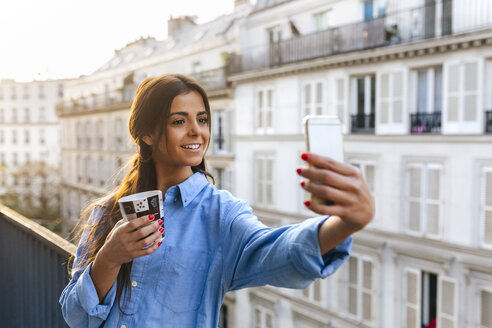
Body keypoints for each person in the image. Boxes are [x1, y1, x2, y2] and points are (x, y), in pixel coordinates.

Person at [59, 74, 374, 327]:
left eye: (203, 119)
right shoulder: (108, 211)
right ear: (147, 134)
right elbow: (74, 316)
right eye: (179, 121)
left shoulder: (222, 214)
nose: (197, 131)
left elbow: (278, 251)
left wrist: (345, 223)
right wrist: (110, 258)